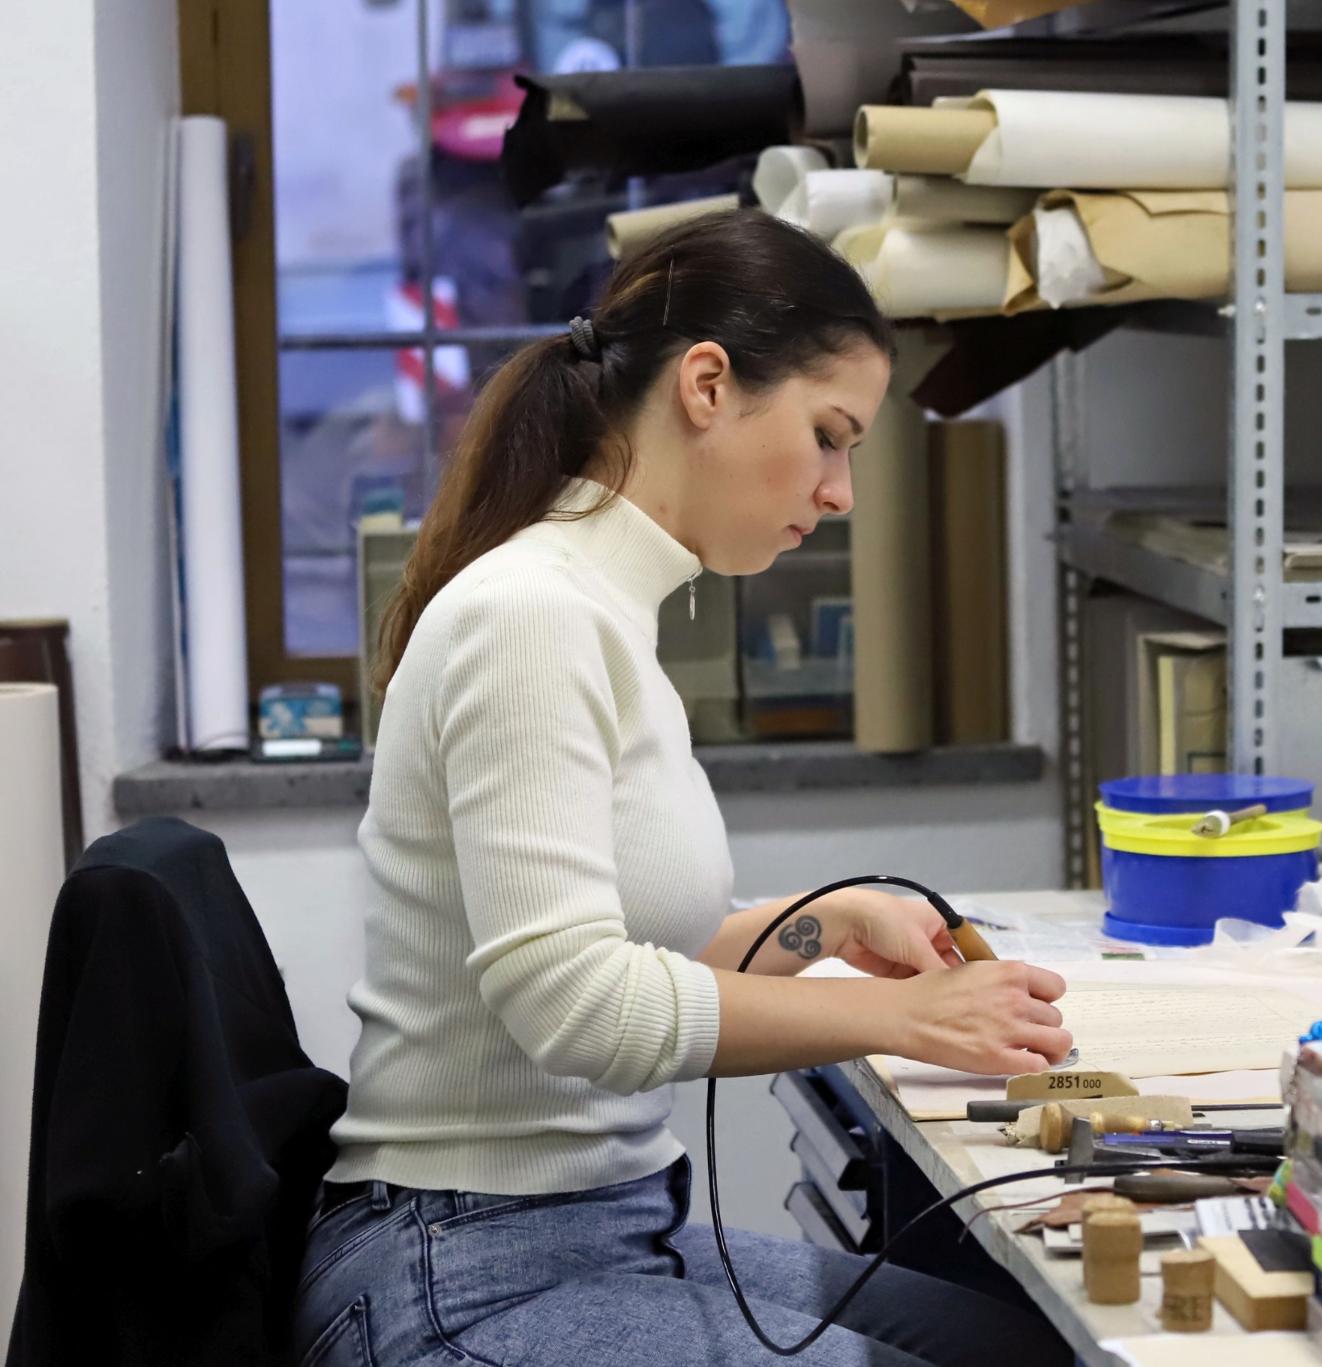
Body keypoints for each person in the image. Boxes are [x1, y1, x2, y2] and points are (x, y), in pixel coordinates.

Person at [292, 210, 1074, 1367]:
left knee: (1018, 1347)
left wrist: (822, 923)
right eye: (828, 434)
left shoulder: (604, 605)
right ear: (707, 384)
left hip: (589, 1229)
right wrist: (902, 1015)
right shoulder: (530, 616)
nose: (842, 489)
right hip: (459, 1267)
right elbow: (577, 1002)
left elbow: (625, 941)